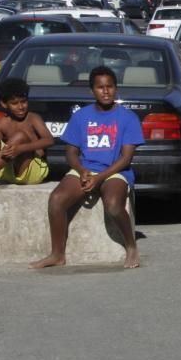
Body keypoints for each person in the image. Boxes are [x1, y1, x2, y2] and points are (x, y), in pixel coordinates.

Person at [29, 66, 143, 270]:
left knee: (113, 204)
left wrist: (99, 179)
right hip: (86, 168)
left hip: (115, 171)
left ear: (116, 89)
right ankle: (57, 254)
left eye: (109, 87)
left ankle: (131, 246)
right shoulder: (81, 116)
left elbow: (126, 158)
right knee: (56, 200)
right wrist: (82, 170)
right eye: (100, 87)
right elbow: (70, 152)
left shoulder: (128, 118)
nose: (105, 91)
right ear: (92, 91)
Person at [0, 77, 53, 185]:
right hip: (8, 172)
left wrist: (21, 149)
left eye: (23, 101)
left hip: (33, 171)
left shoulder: (33, 118)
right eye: (14, 103)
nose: (21, 107)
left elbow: (49, 140)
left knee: (20, 136)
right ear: (4, 104)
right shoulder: (3, 123)